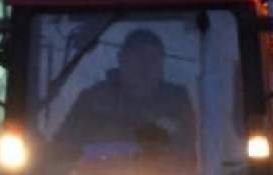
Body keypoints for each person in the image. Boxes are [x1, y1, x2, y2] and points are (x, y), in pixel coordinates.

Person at [54, 28, 195, 152]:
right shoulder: (94, 99)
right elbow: (63, 148)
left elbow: (195, 147)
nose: (145, 68)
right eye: (138, 58)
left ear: (161, 63)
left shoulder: (176, 100)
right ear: (122, 59)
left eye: (153, 59)